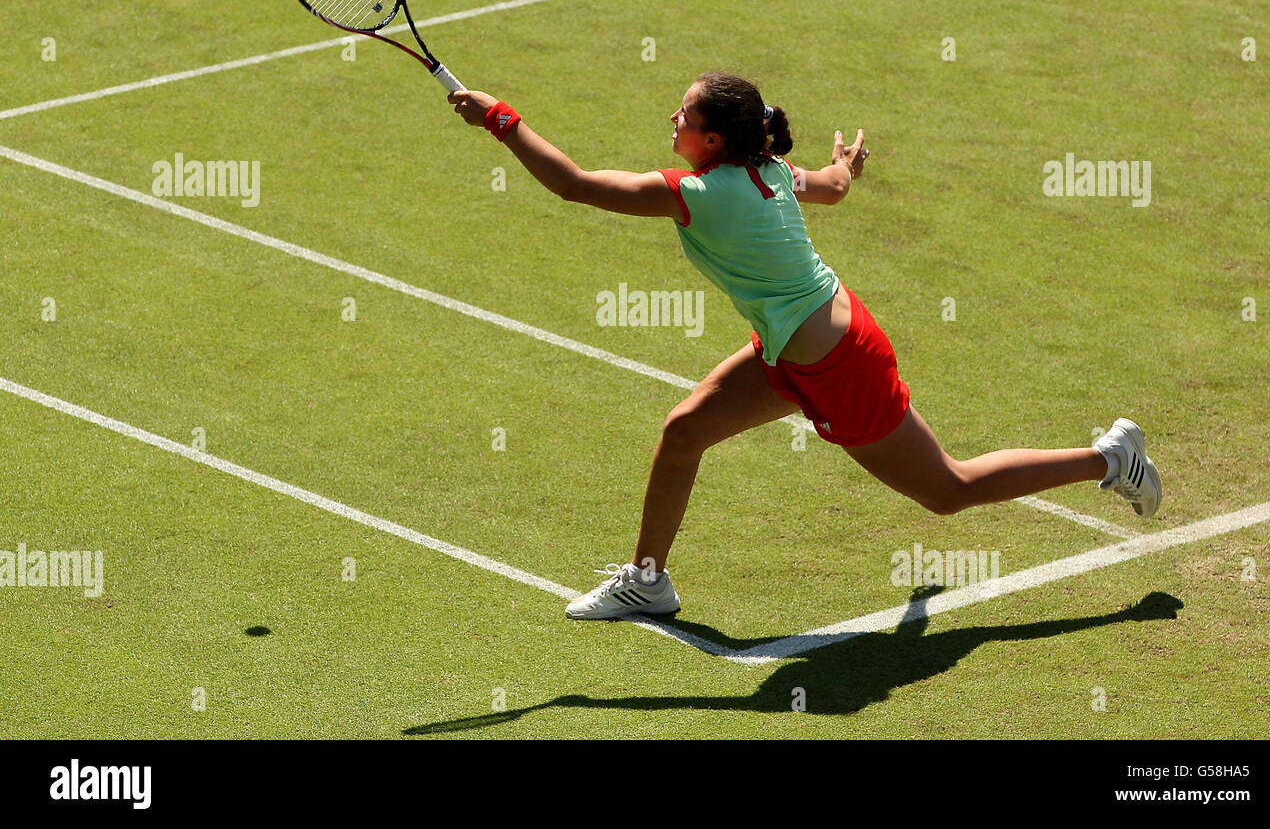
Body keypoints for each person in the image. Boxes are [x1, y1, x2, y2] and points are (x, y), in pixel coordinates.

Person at [448, 71, 1162, 621]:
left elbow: (575, 186)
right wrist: (847, 162)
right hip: (795, 347)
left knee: (950, 491)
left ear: (714, 141)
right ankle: (647, 582)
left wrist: (501, 120)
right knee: (685, 430)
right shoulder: (769, 173)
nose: (673, 118)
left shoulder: (701, 192)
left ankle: (1110, 458)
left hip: (837, 365)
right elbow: (836, 185)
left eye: (685, 115)